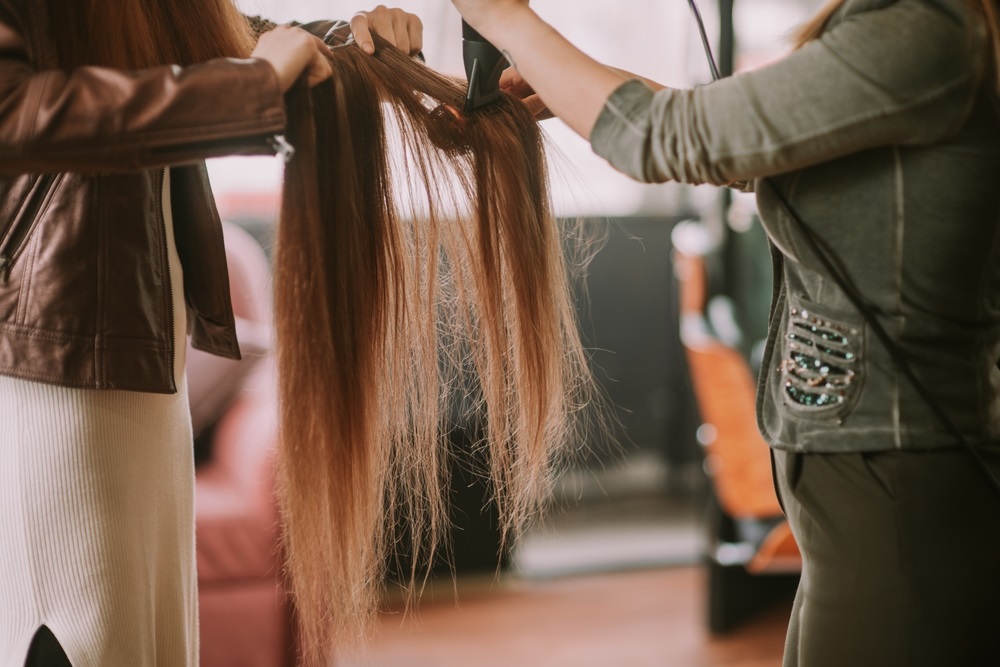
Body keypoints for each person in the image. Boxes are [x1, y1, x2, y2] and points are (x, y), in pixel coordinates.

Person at [449, 0, 1000, 665]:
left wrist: (504, 19)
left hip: (897, 486)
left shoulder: (925, 28)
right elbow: (739, 141)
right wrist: (574, 83)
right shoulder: (904, 26)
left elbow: (670, 136)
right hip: (865, 482)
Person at [0, 2, 423, 666]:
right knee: (82, 635)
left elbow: (205, 45)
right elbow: (14, 111)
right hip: (57, 366)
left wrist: (352, 44)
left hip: (141, 353)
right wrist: (250, 84)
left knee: (150, 640)